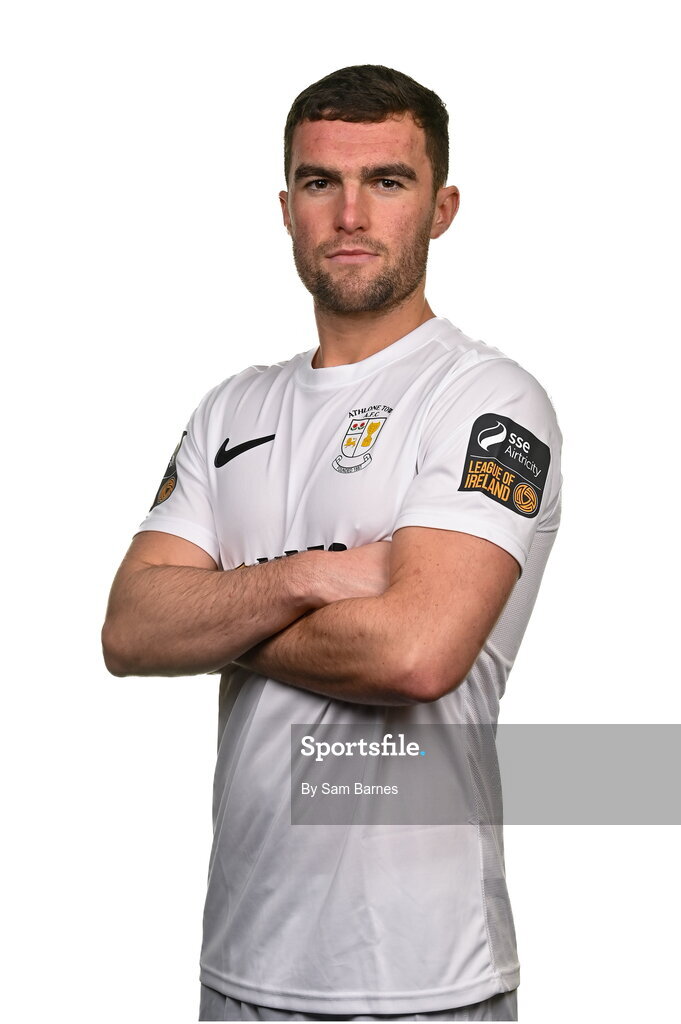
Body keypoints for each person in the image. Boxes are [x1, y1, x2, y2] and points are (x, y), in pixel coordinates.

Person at [102, 64, 562, 1022]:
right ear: (286, 207)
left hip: (422, 978)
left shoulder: (485, 401)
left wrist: (221, 612)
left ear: (441, 208)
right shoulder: (232, 408)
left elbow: (414, 652)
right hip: (240, 966)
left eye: (386, 182)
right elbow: (129, 631)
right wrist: (314, 576)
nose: (350, 214)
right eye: (320, 182)